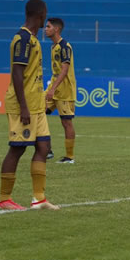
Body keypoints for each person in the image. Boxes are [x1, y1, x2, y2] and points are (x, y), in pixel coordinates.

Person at [0, 0, 59, 210]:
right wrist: (23, 106)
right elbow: (17, 72)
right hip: (23, 105)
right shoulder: (22, 39)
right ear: (41, 14)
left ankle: (39, 198)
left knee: (43, 146)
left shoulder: (32, 39)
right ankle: (4, 199)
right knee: (17, 149)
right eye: (46, 15)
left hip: (37, 104)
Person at [44, 18, 77, 164]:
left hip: (65, 91)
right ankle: (47, 150)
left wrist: (53, 88)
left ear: (56, 29)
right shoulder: (53, 47)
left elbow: (65, 69)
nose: (45, 29)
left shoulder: (65, 46)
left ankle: (69, 157)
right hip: (54, 88)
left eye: (48, 26)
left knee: (66, 123)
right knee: (38, 112)